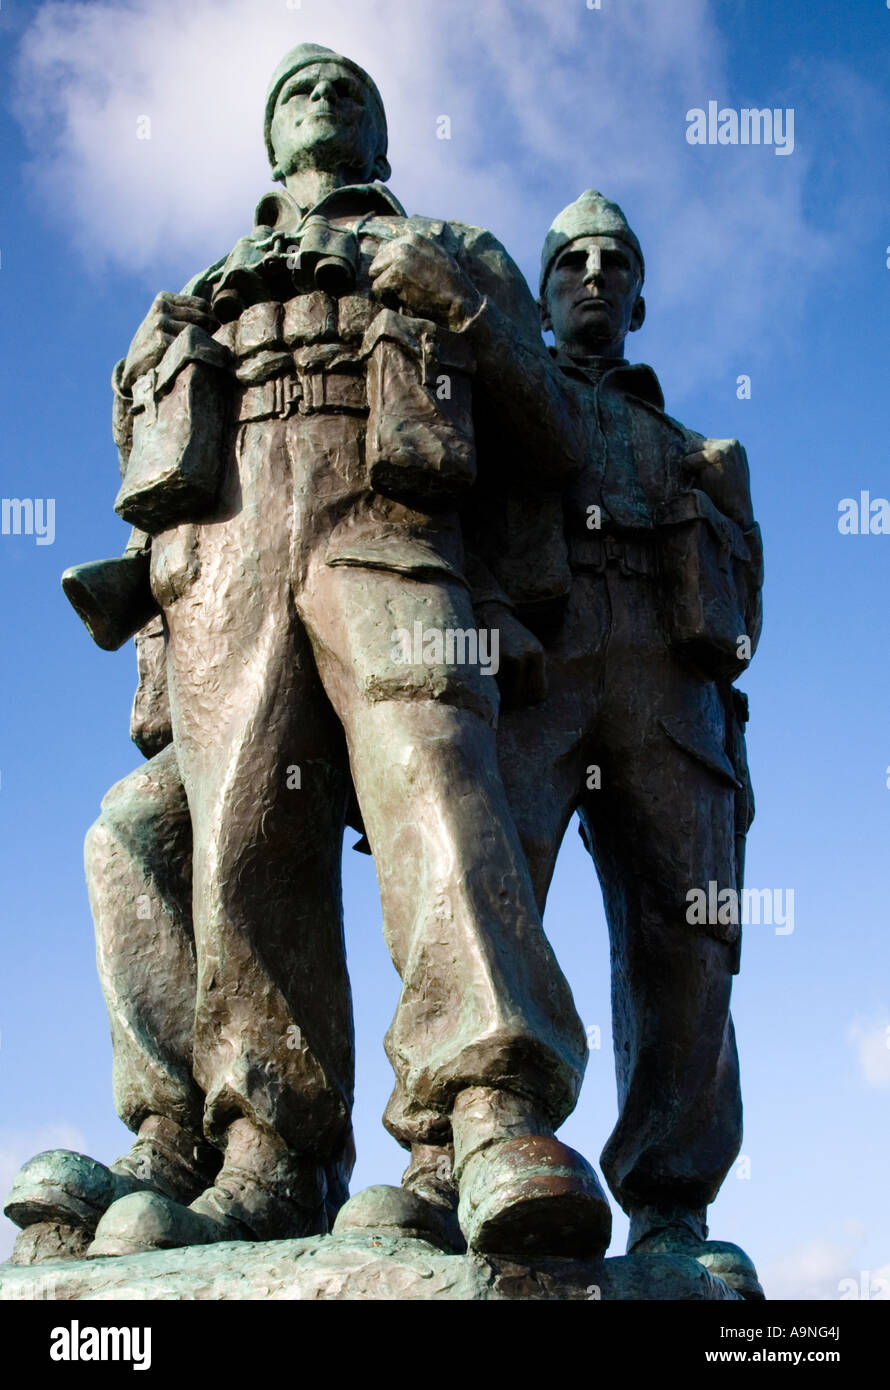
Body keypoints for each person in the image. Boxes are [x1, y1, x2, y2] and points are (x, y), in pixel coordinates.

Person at [5, 48, 611, 1264]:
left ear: (383, 140)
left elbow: (557, 434)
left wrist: (462, 306)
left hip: (387, 523)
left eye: (347, 91)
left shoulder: (456, 243)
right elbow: (140, 450)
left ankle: (487, 1110)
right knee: (236, 834)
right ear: (270, 142)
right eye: (296, 92)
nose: (321, 102)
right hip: (227, 542)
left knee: (431, 772)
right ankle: (268, 1149)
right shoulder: (198, 285)